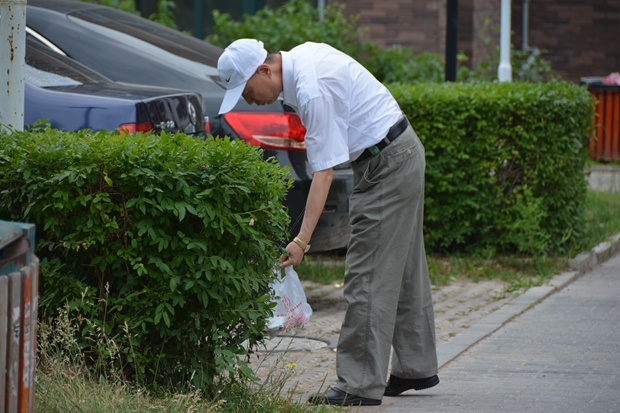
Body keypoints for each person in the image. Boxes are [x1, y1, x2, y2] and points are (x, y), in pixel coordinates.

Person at [217, 38, 439, 406]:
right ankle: (416, 367)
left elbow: (323, 172)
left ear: (264, 70)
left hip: (386, 165)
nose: (248, 99)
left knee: (366, 274)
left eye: (247, 89)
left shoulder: (310, 88)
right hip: (396, 154)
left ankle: (359, 384)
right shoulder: (303, 60)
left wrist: (301, 241)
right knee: (403, 268)